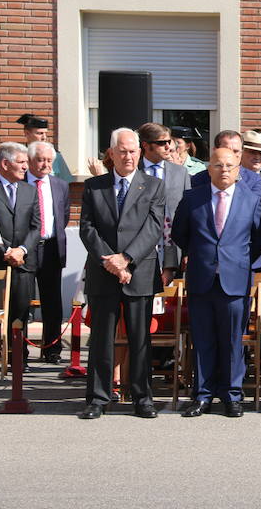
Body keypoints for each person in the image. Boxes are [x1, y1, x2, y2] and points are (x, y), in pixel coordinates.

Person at [172, 148, 261, 418]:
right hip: (202, 279)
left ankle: (231, 395)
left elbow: (259, 238)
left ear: (238, 168)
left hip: (235, 280)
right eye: (218, 165)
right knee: (203, 340)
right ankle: (202, 395)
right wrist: (203, 255)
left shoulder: (251, 200)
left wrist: (236, 259)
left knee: (231, 340)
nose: (224, 170)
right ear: (209, 168)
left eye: (229, 165)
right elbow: (180, 234)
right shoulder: (193, 198)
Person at [78, 128, 165, 420]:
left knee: (140, 338)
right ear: (111, 153)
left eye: (133, 151)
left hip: (139, 272)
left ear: (140, 153)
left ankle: (142, 398)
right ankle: (98, 398)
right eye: (123, 151)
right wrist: (111, 262)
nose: (129, 156)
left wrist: (126, 259)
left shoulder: (153, 185)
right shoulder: (94, 186)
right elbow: (87, 229)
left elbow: (153, 228)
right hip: (104, 272)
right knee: (101, 338)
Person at [0, 142, 40, 368]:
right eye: (21, 162)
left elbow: (36, 226)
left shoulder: (30, 190)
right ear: (5, 163)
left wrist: (21, 250)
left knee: (21, 310)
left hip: (23, 262)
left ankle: (18, 356)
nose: (26, 167)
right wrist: (6, 250)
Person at [25, 141, 70, 364]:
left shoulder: (60, 185)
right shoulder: (21, 183)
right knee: (22, 300)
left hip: (52, 247)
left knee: (52, 302)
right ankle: (20, 351)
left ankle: (52, 350)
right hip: (26, 249)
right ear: (30, 160)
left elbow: (64, 216)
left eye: (49, 161)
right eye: (40, 160)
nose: (45, 165)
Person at [138, 122, 191, 287]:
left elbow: (189, 214)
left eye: (169, 142)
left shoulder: (180, 173)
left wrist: (188, 251)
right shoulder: (133, 171)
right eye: (162, 143)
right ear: (146, 145)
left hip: (173, 250)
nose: (168, 147)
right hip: (139, 250)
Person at [16, 114, 73, 183]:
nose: (44, 137)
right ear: (27, 133)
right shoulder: (18, 156)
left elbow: (65, 183)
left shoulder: (55, 156)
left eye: (46, 133)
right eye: (40, 133)